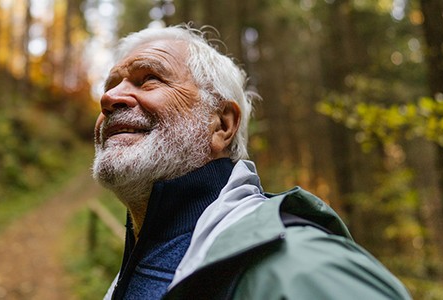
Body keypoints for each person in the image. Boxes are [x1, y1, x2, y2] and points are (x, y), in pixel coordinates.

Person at [92, 24, 412, 300]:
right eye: (110, 86)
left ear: (222, 124)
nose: (109, 98)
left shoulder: (304, 267)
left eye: (149, 79)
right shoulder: (141, 265)